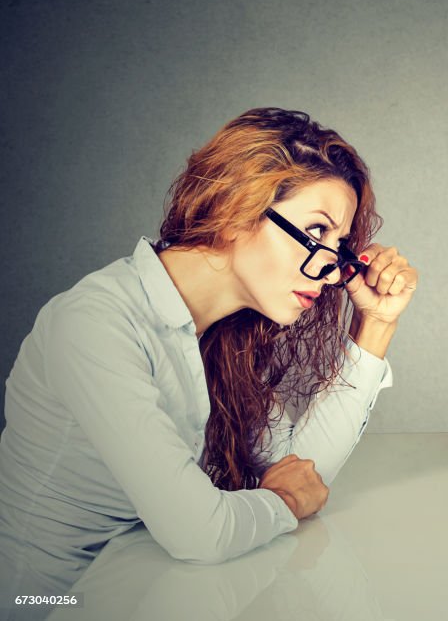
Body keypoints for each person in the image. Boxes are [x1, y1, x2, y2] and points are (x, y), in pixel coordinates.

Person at [0, 108, 418, 615]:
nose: (332, 274)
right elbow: (200, 532)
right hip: (42, 598)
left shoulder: (223, 336)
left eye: (339, 246)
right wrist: (281, 502)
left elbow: (301, 473)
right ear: (238, 209)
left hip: (139, 582)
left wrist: (376, 324)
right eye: (316, 232)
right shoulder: (95, 324)